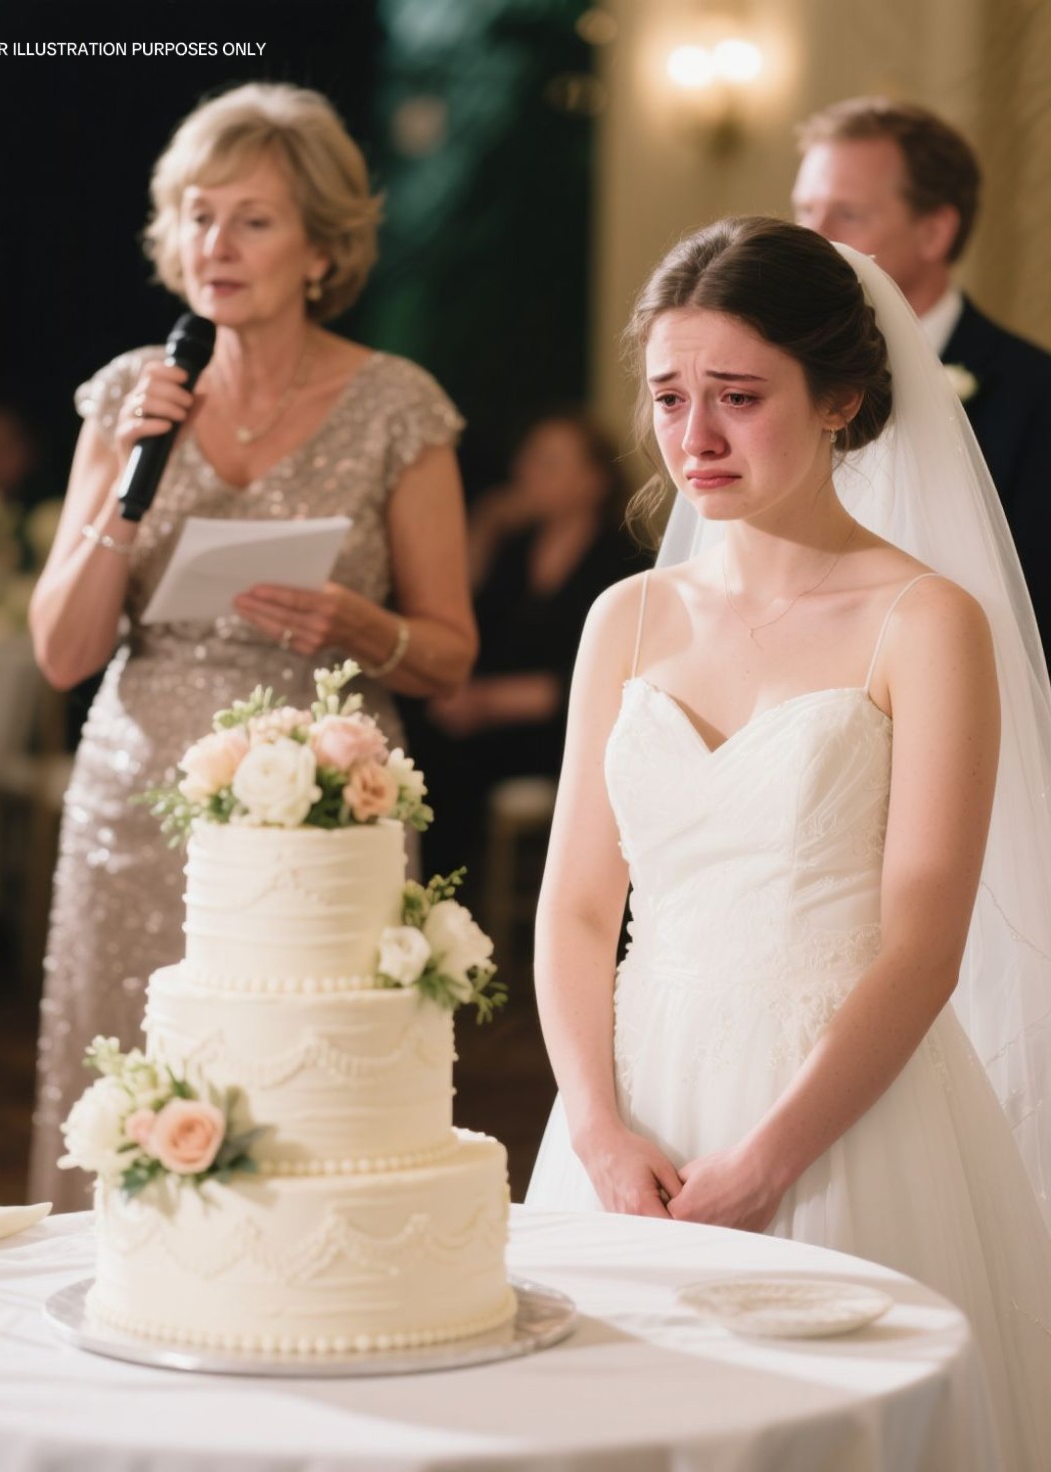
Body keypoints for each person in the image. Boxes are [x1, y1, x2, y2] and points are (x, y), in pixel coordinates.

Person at [526, 218, 1051, 1466]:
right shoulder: (627, 616)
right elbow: (578, 907)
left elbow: (925, 944)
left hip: (842, 1112)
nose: (695, 437)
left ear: (841, 399)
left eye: (739, 396)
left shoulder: (927, 619)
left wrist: (771, 1159)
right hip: (634, 1104)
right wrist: (597, 1126)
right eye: (670, 396)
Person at [27, 83, 477, 1210]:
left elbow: (450, 654)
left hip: (326, 811)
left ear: (322, 249)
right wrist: (127, 489)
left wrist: (364, 627)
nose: (215, 245)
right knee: (131, 1085)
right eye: (198, 214)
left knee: (310, 1108)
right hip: (135, 802)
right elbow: (62, 654)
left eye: (253, 220)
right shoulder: (130, 395)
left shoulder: (397, 407)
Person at [792, 96, 1051, 652]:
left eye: (848, 214)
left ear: (935, 232)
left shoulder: (1035, 393)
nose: (813, 236)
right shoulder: (773, 384)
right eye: (805, 209)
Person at [414, 412, 644, 881]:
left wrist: (491, 702)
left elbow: (618, 674)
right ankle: (434, 893)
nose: (528, 472)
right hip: (497, 719)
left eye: (550, 463)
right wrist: (486, 524)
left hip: (573, 726)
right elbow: (466, 617)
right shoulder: (516, 550)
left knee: (453, 766)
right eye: (529, 459)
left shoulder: (624, 560)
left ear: (595, 481)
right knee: (421, 740)